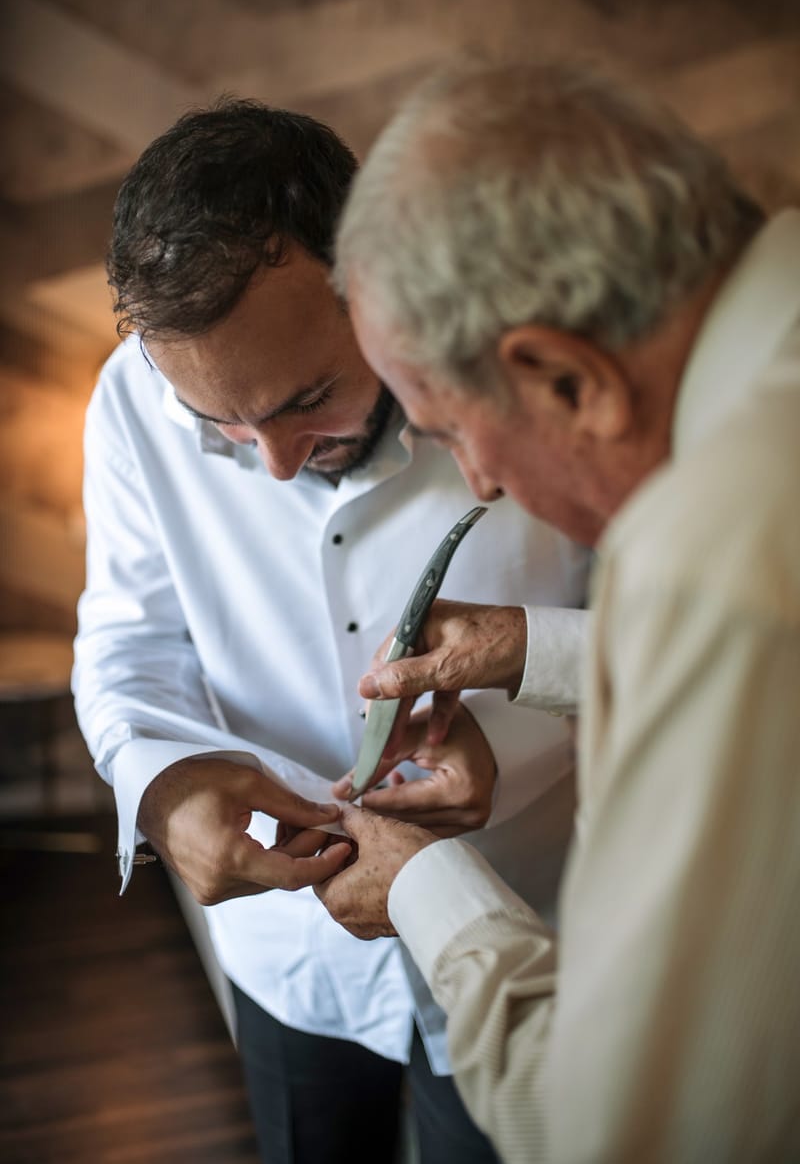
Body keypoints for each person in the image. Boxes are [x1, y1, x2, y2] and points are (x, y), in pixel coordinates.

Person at [71, 98, 592, 1164]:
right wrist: (163, 786)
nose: (269, 459)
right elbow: (126, 644)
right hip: (287, 950)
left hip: (525, 914)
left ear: (377, 281)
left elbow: (657, 619)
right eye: (217, 425)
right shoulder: (126, 406)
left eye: (308, 395)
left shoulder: (532, 366)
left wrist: (521, 722)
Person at [316, 58, 800, 1162]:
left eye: (444, 430)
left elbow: (611, 1129)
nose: (476, 483)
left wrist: (423, 886)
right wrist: (529, 646)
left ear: (564, 378)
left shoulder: (703, 549)